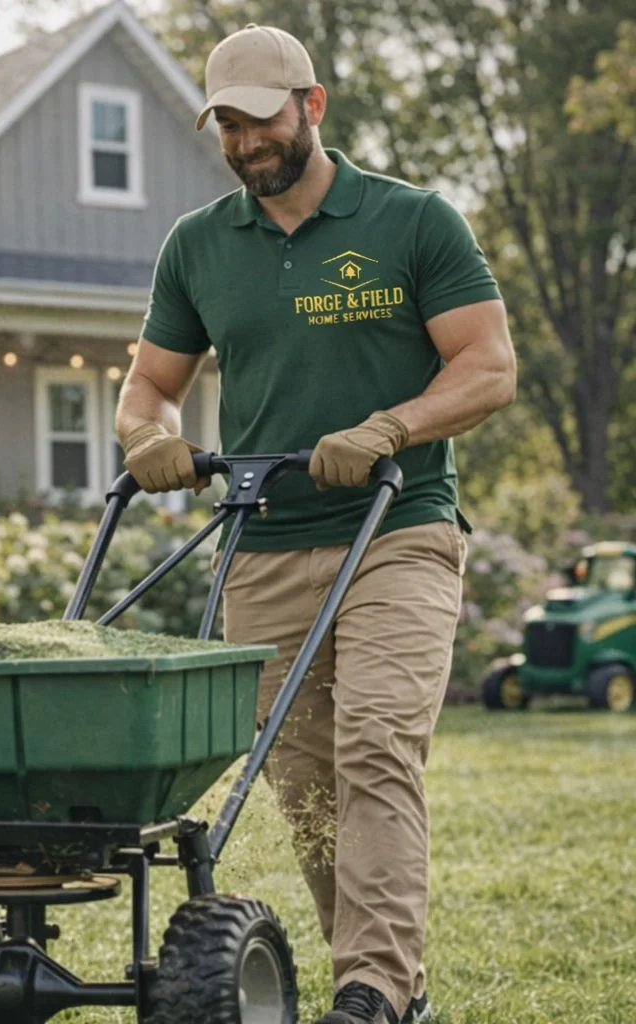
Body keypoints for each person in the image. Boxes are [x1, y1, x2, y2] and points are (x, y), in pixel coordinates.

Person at [115, 22, 516, 1024]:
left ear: (312, 105)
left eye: (260, 119)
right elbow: (149, 387)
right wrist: (147, 438)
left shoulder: (412, 221)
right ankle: (385, 984)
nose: (245, 142)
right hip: (264, 538)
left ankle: (371, 989)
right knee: (299, 779)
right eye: (226, 126)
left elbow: (487, 367)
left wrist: (392, 424)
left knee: (374, 742)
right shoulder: (198, 244)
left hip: (398, 524)